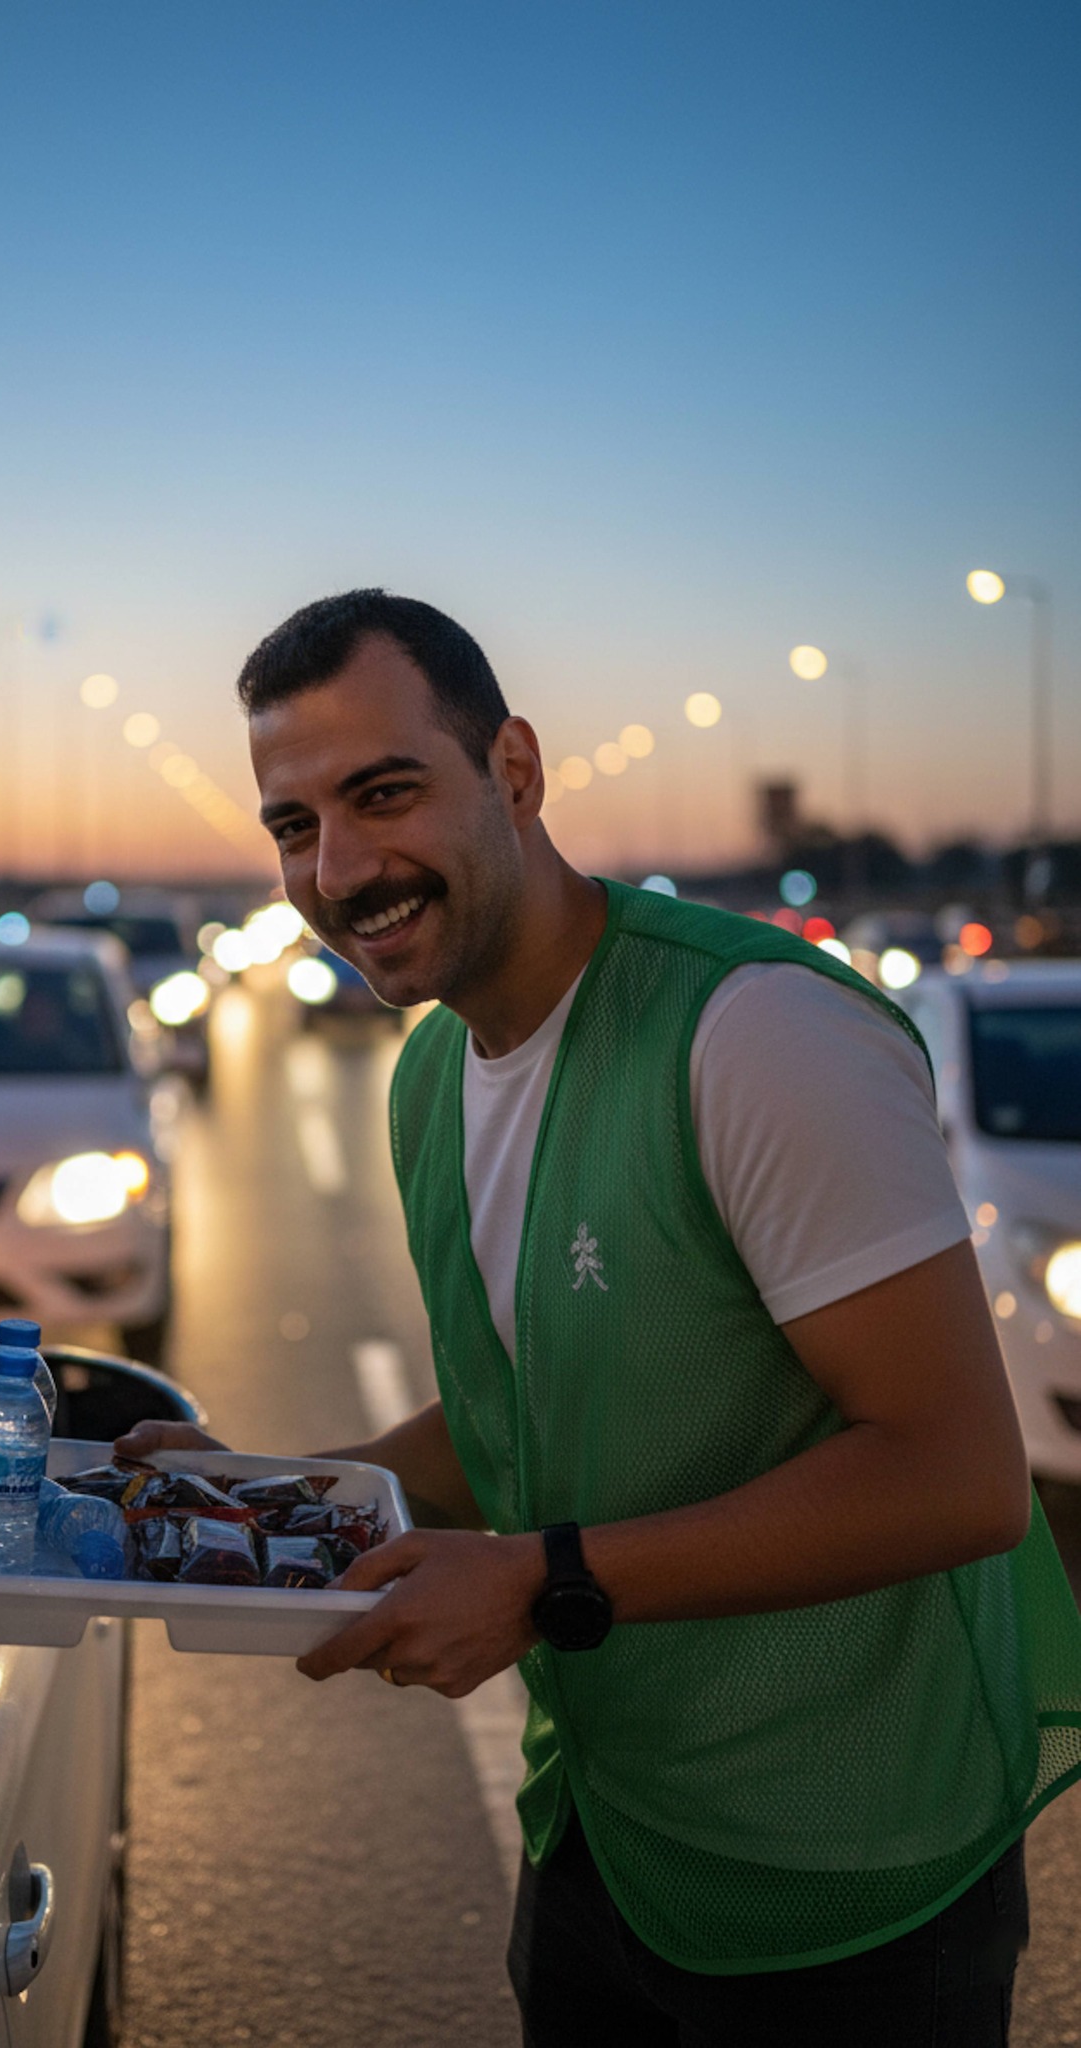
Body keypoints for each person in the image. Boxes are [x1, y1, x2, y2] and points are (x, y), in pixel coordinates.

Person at [119, 589, 1081, 2046]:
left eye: (385, 794)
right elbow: (528, 1410)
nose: (342, 868)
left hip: (847, 1881)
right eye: (295, 826)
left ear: (513, 769)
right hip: (603, 1840)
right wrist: (269, 1495)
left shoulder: (756, 1036)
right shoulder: (433, 1080)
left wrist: (535, 1582)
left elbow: (959, 1478)